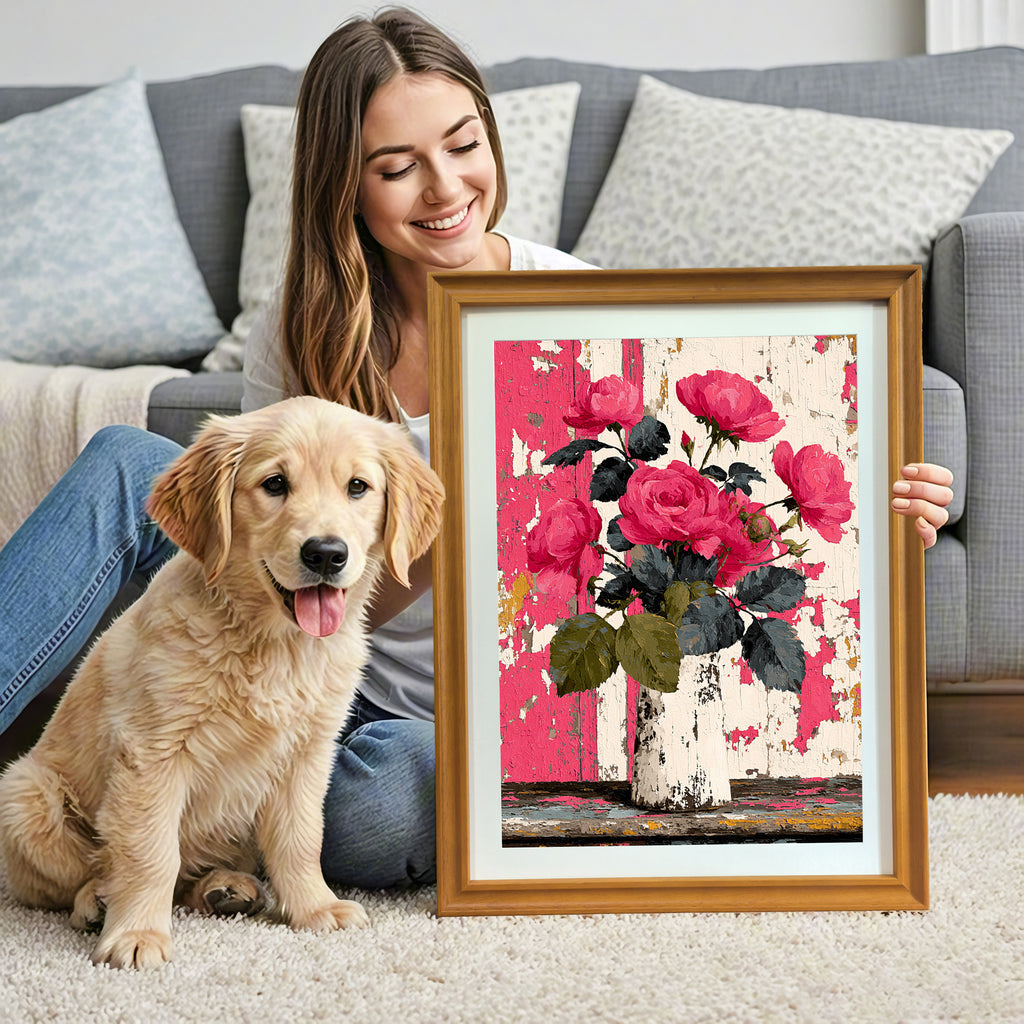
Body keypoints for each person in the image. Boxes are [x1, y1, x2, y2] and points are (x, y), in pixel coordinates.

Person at [0, 8, 955, 889]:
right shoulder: (304, 323)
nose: (447, 187)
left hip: (419, 721)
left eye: (463, 146)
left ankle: (226, 844)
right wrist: (430, 516)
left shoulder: (578, 311)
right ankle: (150, 822)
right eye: (397, 165)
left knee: (377, 815)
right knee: (127, 460)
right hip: (297, 657)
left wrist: (875, 519)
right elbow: (271, 544)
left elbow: (705, 508)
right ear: (345, 183)